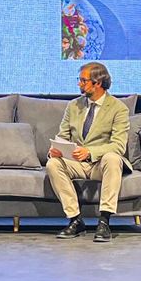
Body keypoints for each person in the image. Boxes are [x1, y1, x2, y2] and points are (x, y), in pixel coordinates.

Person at [47, 62, 131, 243]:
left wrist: (90, 152)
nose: (79, 84)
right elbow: (63, 135)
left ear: (97, 83)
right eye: (80, 80)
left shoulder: (118, 108)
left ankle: (104, 221)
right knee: (53, 164)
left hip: (99, 164)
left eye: (83, 81)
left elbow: (118, 145)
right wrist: (56, 150)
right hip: (76, 163)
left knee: (112, 158)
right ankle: (75, 220)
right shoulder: (73, 106)